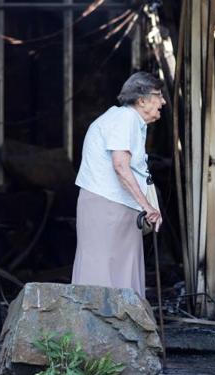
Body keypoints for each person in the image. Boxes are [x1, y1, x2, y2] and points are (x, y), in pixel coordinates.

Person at [71, 72, 166, 298]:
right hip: (106, 205)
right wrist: (148, 206)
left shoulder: (130, 121)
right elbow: (121, 166)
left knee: (121, 268)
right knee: (102, 270)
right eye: (158, 96)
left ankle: (123, 326)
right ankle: (98, 328)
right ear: (141, 100)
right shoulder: (125, 118)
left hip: (116, 205)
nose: (163, 102)